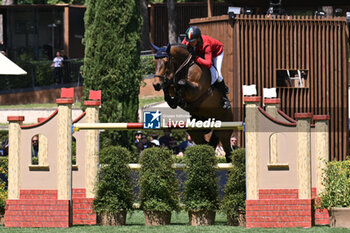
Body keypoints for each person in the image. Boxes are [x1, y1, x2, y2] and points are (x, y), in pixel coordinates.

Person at [182, 26, 230, 109]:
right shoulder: (187, 40)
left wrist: (196, 58)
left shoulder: (206, 45)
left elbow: (208, 64)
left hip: (216, 53)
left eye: (192, 41)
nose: (190, 43)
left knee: (218, 75)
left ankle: (225, 98)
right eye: (189, 41)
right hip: (201, 52)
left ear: (198, 39)